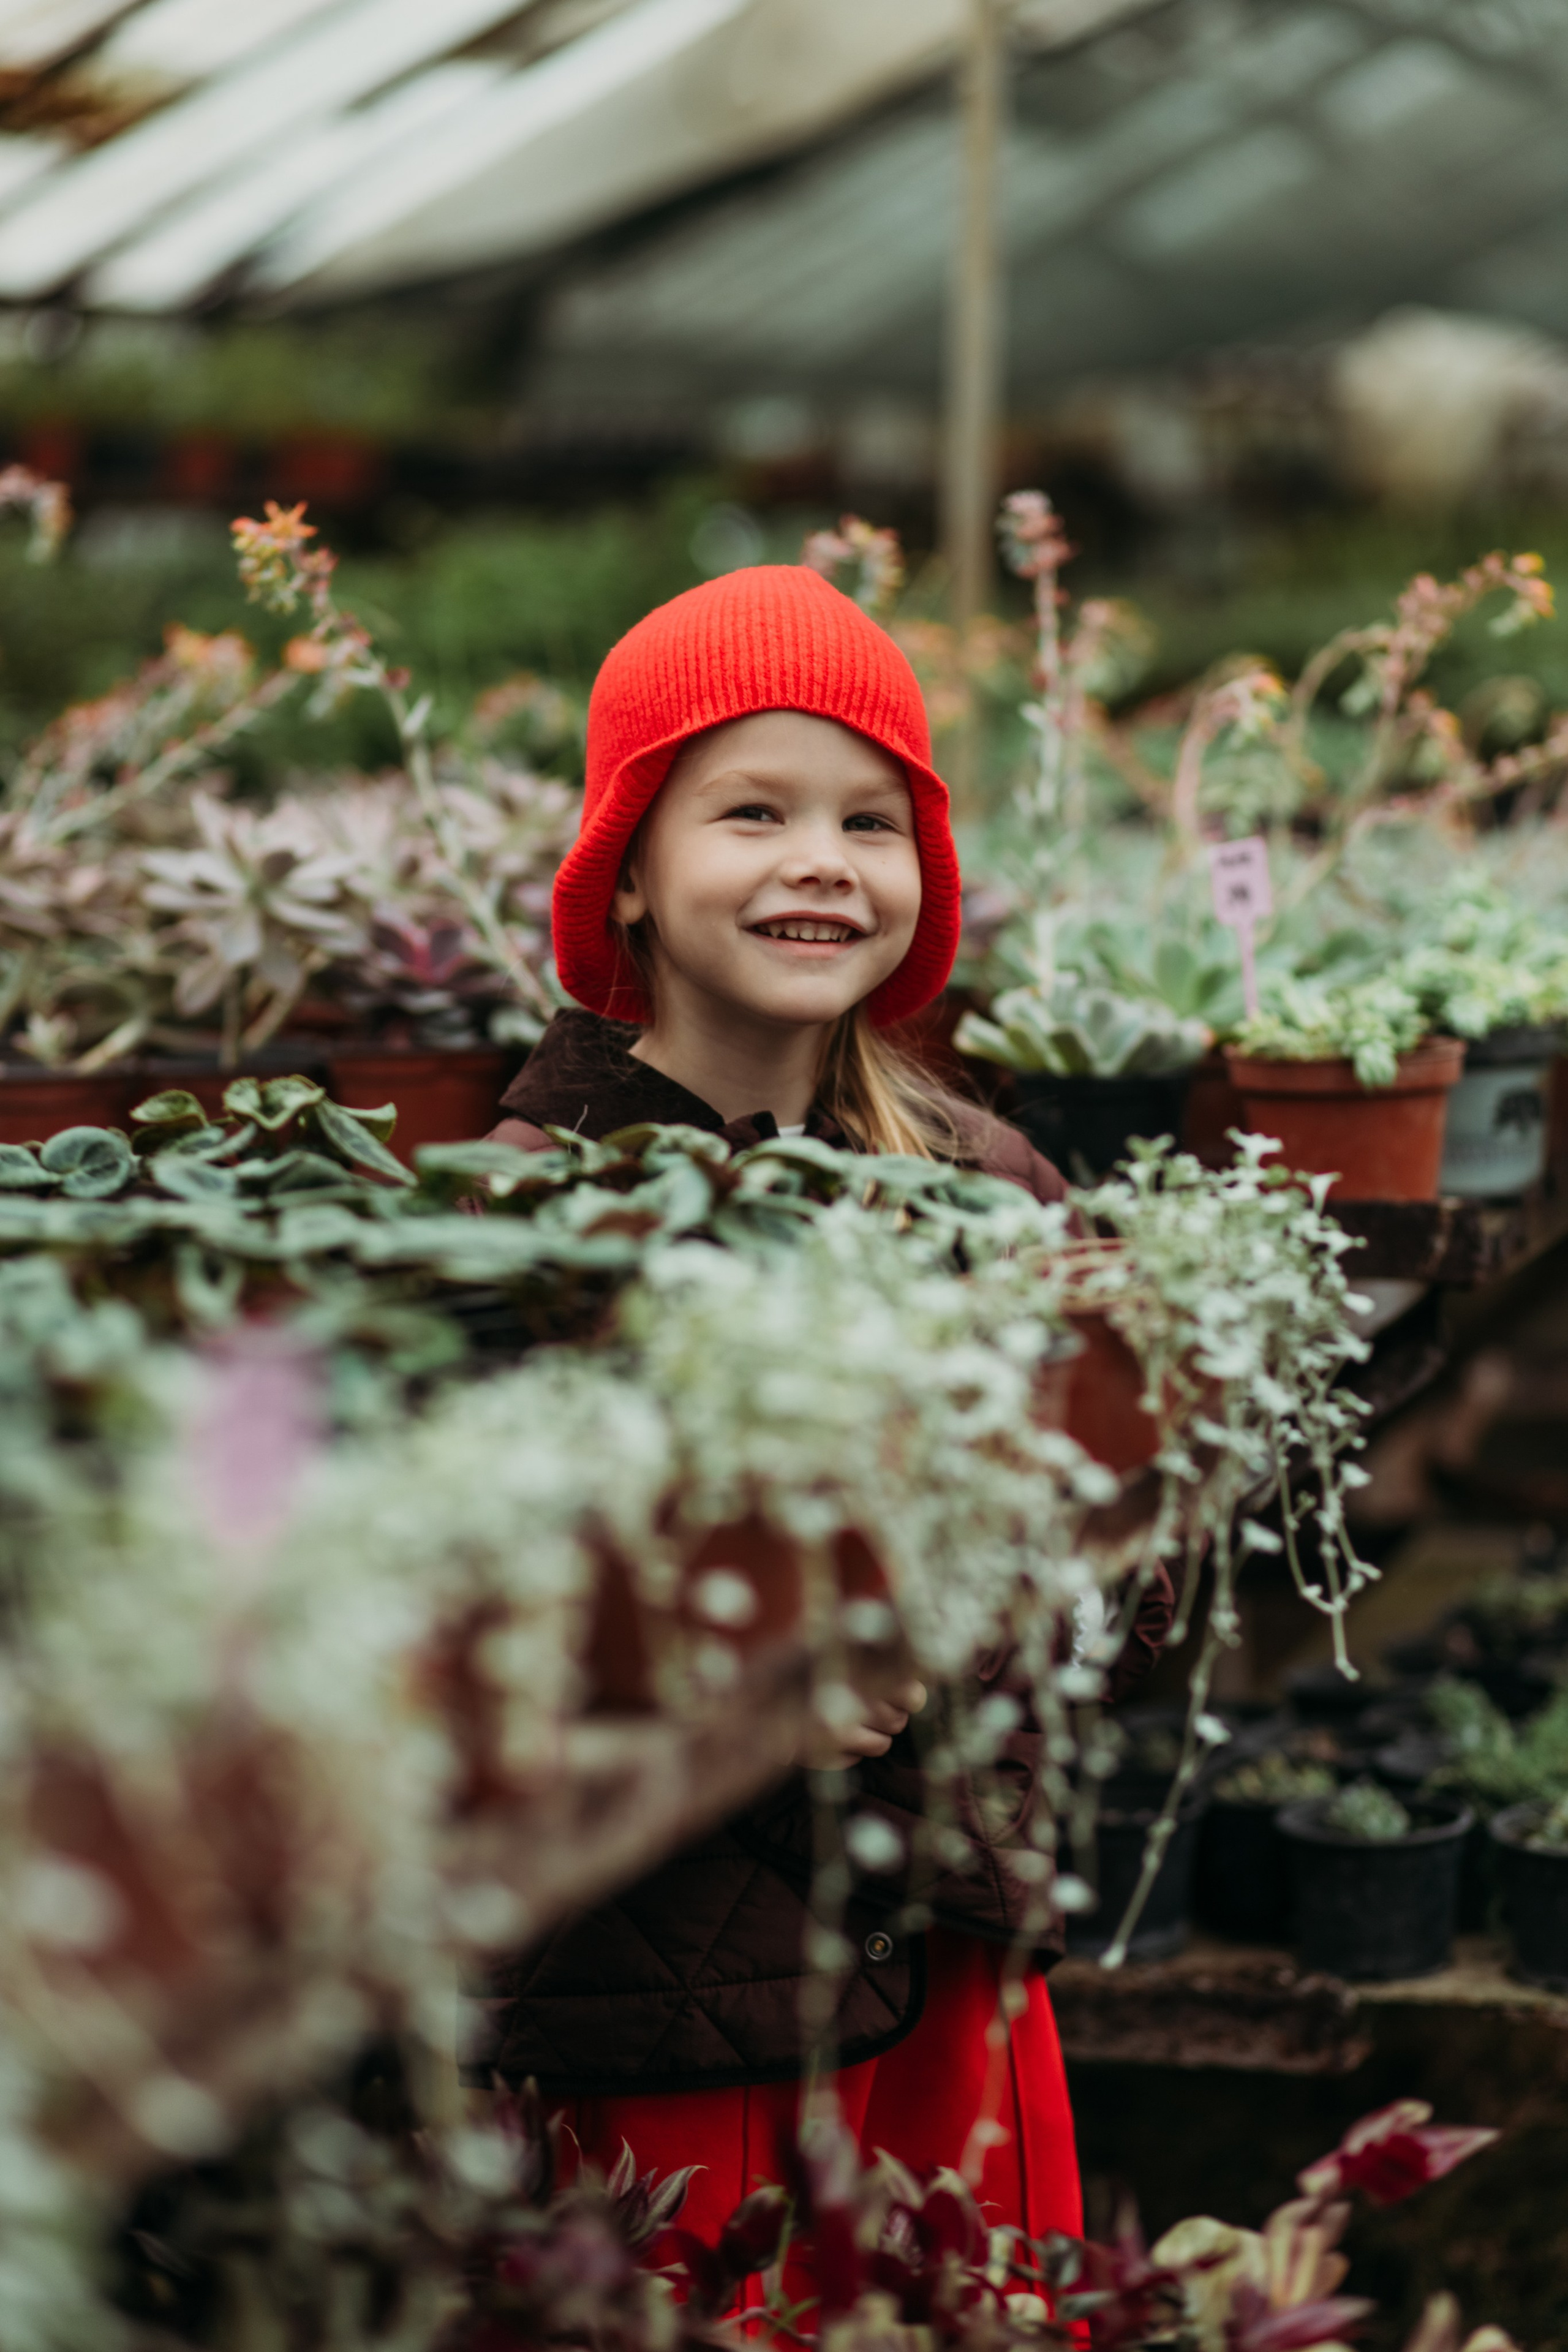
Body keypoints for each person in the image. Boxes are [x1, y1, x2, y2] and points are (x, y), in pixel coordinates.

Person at [468, 562, 1174, 2291]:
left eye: (872, 821)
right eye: (752, 812)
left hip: (940, 1977)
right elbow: (433, 1623)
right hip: (656, 2003)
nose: (821, 861)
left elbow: (1140, 1560)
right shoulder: (509, 1221)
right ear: (628, 873)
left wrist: (975, 1599)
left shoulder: (986, 1185)